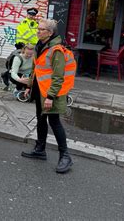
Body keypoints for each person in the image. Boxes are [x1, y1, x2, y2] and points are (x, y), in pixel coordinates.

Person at [21, 19, 75, 174]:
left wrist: (51, 97)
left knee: (54, 122)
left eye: (41, 29)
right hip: (40, 90)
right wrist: (29, 86)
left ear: (50, 33)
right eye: (38, 28)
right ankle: (40, 149)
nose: (38, 31)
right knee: (40, 119)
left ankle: (65, 156)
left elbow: (58, 77)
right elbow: (36, 68)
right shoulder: (40, 45)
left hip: (51, 93)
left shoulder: (56, 49)